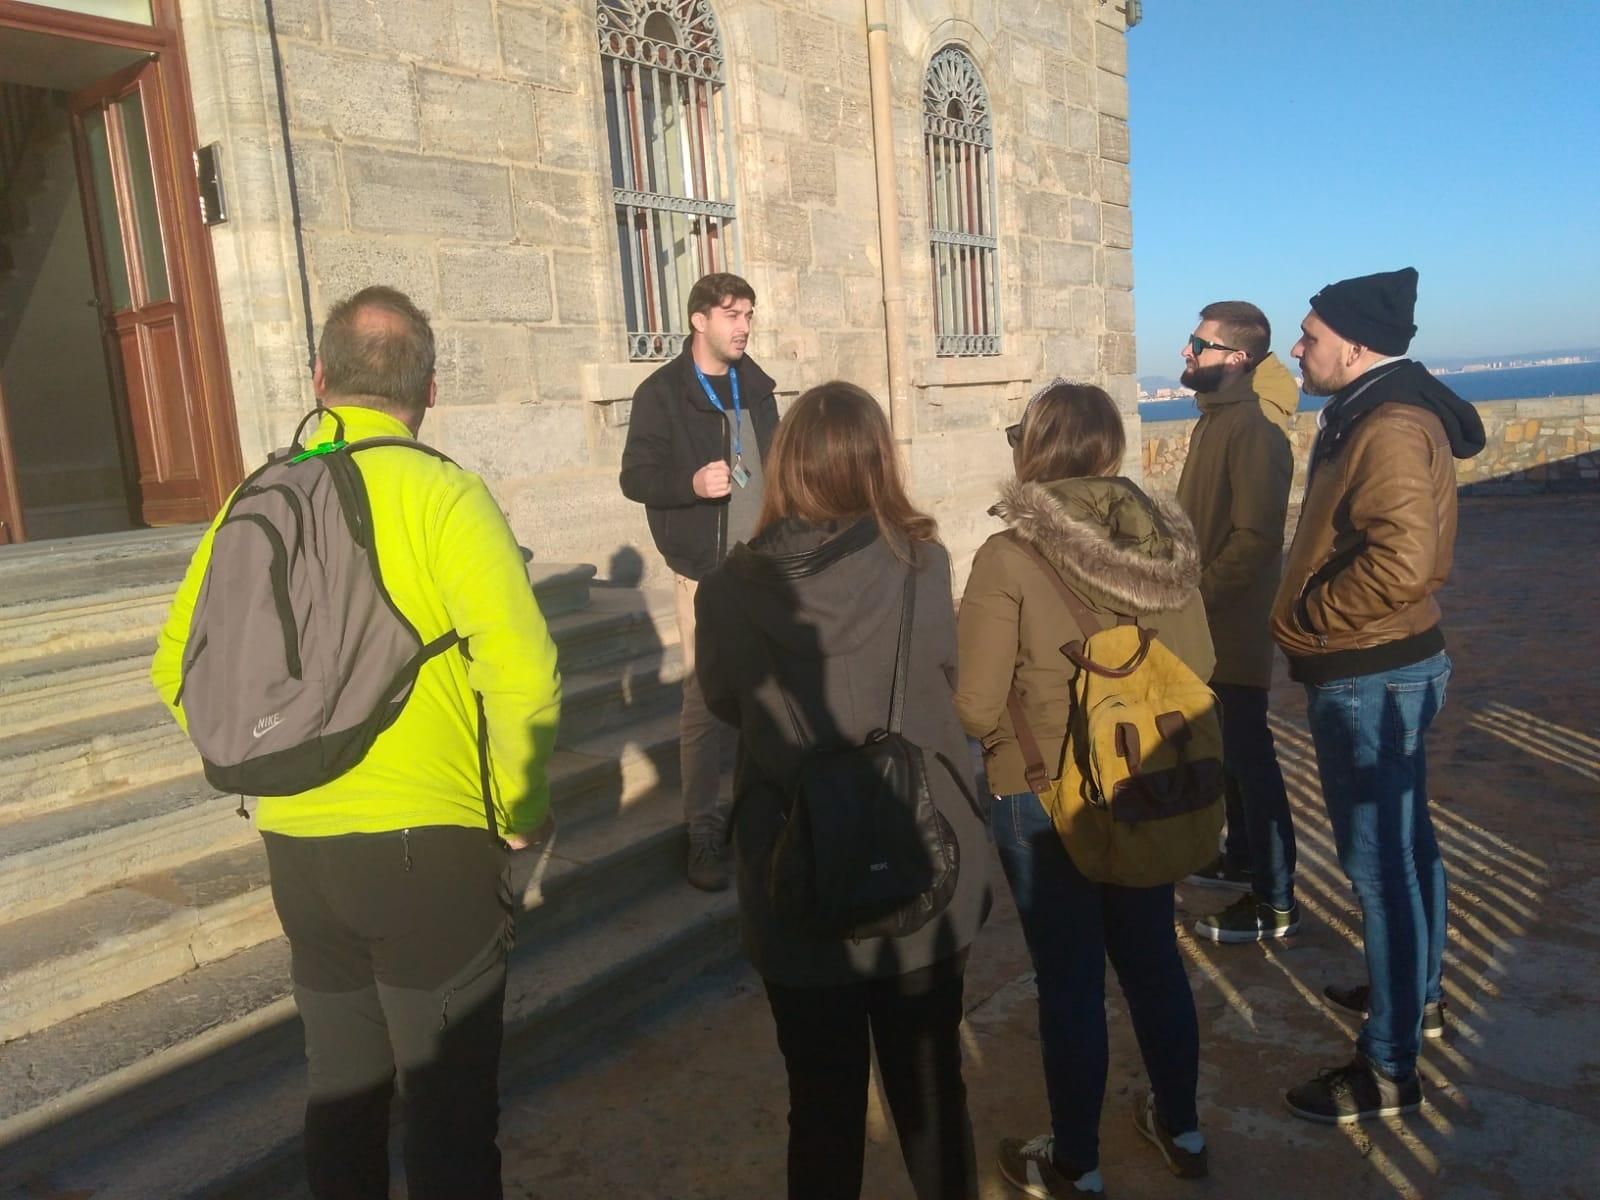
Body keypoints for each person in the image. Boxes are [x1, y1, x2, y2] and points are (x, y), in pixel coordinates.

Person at [151, 287, 562, 1199]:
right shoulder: (448, 494)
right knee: (451, 1119)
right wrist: (522, 811)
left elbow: (175, 667)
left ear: (320, 378)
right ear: (429, 389)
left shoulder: (254, 495)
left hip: (299, 845)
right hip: (431, 849)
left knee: (342, 1105)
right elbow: (524, 673)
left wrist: (274, 753)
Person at [695, 381, 991, 1200]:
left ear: (785, 466)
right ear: (876, 461)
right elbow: (946, 672)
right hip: (921, 850)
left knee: (820, 1109)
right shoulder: (922, 562)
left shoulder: (729, 588)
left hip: (796, 866)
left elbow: (725, 702)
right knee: (933, 1096)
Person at [956, 382, 1215, 1197]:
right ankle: (1184, 1128)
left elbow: (971, 702)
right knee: (1152, 963)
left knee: (1069, 983)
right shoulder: (1164, 549)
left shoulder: (1009, 556)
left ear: (1035, 451)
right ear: (1107, 449)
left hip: (1044, 792)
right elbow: (1200, 665)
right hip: (1143, 784)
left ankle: (1077, 1162)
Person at [1273, 268, 1484, 1124]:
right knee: (1407, 844)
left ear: (1357, 346)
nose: (1297, 347)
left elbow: (1404, 560)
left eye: (1311, 334)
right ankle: (1418, 998)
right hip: (1383, 666)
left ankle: (1390, 1066)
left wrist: (1313, 615)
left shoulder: (1389, 424)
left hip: (1370, 672)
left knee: (1379, 868)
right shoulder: (1369, 411)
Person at [619, 272, 779, 891]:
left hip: (763, 569)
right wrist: (690, 485)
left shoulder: (756, 387)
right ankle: (703, 830)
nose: (743, 325)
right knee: (705, 703)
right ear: (699, 320)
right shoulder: (661, 393)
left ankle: (758, 816)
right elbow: (636, 477)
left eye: (748, 313)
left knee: (764, 697)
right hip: (706, 576)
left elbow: (779, 464)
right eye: (732, 314)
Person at [1172, 302, 1301, 943]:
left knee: (1252, 757)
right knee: (1231, 753)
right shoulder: (1216, 421)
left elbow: (1254, 539)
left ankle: (1276, 898)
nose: (1186, 354)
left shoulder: (1253, 430)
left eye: (1198, 344)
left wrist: (1198, 601)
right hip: (1208, 623)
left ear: (1237, 358)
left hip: (1232, 628)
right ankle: (1246, 858)